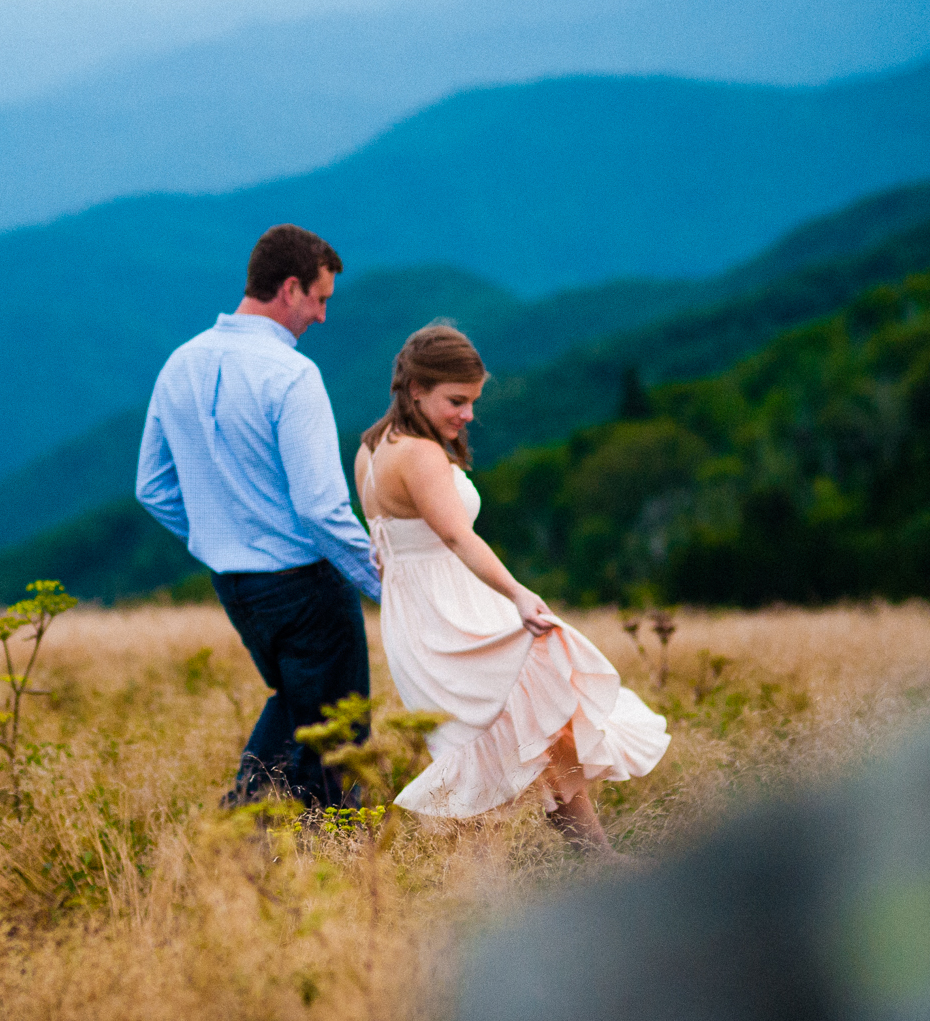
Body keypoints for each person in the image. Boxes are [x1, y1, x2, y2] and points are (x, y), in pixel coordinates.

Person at [355, 324, 668, 849]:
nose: (468, 415)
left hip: (421, 619)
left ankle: (592, 858)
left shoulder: (372, 446)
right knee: (526, 722)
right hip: (451, 618)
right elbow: (456, 537)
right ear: (415, 390)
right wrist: (520, 595)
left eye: (473, 401)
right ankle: (528, 881)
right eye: (456, 400)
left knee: (543, 733)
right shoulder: (420, 454)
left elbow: (388, 543)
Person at [137, 224, 380, 807]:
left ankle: (250, 833)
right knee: (338, 736)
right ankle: (301, 843)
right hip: (305, 586)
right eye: (319, 299)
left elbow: (153, 489)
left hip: (235, 587)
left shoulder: (180, 364)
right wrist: (386, 583)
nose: (322, 317)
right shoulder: (292, 375)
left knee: (298, 706)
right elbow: (322, 509)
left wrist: (219, 538)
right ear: (290, 289)